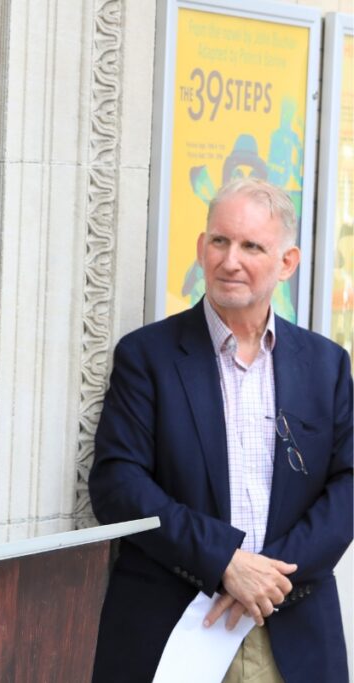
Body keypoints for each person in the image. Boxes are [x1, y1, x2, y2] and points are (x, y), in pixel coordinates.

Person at [89, 178, 352, 682]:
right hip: (175, 628)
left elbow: (347, 486)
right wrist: (224, 561)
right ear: (201, 247)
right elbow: (117, 485)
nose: (230, 260)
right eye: (219, 241)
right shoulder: (147, 357)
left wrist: (269, 577)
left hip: (292, 632)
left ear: (287, 262)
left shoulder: (326, 365)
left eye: (252, 246)